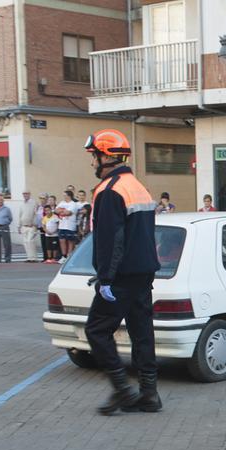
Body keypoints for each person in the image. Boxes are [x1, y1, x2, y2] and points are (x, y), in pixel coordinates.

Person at [83, 128, 162, 415]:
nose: (92, 163)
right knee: (142, 332)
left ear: (106, 156)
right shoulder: (137, 186)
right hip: (144, 272)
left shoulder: (109, 190)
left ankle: (122, 390)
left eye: (94, 156)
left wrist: (105, 278)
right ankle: (149, 393)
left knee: (96, 330)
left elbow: (110, 240)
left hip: (121, 277)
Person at [56, 190, 81, 262]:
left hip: (70, 225)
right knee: (62, 240)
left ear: (68, 196)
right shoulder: (62, 202)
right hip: (62, 225)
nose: (63, 197)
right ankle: (64, 256)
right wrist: (62, 211)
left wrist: (62, 211)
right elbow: (56, 210)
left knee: (70, 241)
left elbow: (68, 213)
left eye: (64, 195)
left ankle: (69, 255)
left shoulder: (73, 204)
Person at [18, 191, 40, 262]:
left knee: (30, 241)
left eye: (26, 194)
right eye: (24, 194)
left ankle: (34, 258)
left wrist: (34, 223)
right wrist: (19, 226)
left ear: (29, 194)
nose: (25, 195)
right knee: (25, 242)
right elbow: (20, 215)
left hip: (31, 226)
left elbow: (37, 214)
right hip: (24, 226)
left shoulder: (34, 203)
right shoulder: (22, 204)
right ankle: (29, 257)